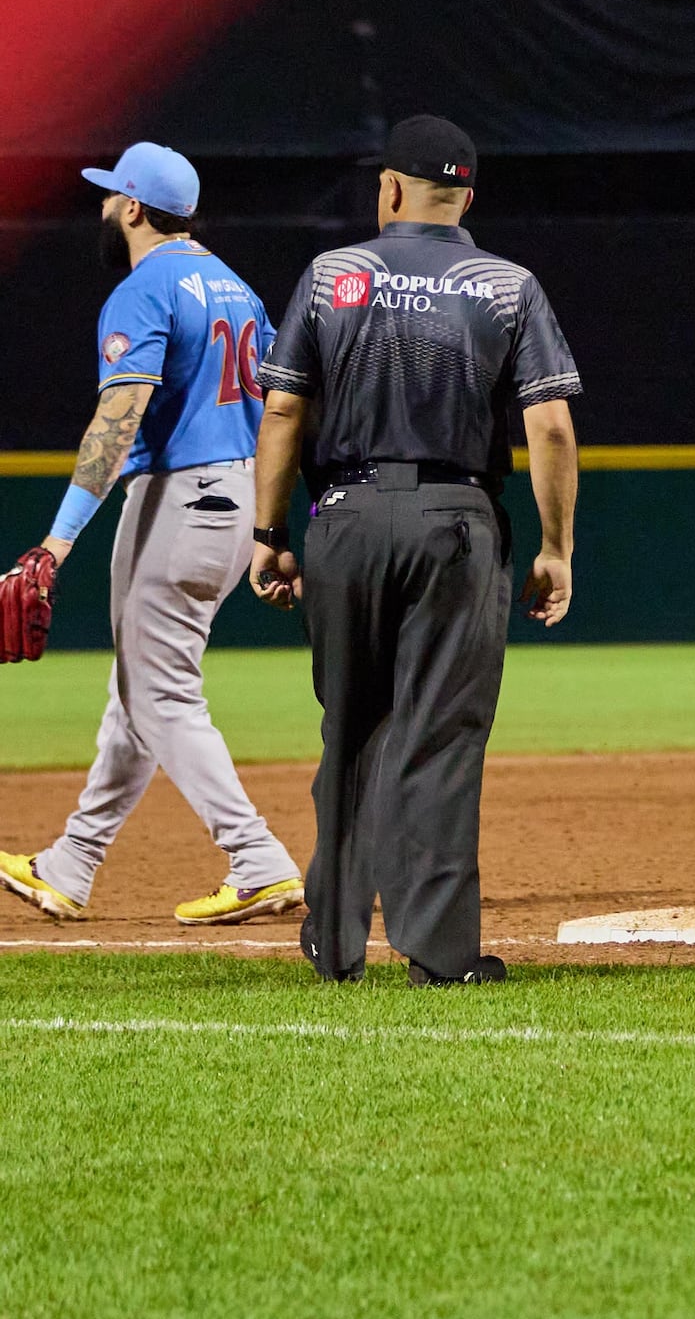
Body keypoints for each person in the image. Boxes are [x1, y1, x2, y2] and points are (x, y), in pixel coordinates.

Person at [247, 115, 580, 987]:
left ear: (390, 188)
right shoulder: (505, 284)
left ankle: (335, 944)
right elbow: (549, 422)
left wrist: (270, 534)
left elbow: (283, 410)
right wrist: (557, 547)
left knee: (349, 726)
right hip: (454, 520)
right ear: (467, 194)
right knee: (440, 735)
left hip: (346, 517)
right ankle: (437, 954)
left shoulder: (333, 276)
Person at [0, 143, 305, 926]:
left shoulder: (146, 288)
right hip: (234, 502)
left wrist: (56, 540)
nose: (102, 209)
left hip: (180, 499)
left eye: (110, 198)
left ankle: (257, 856)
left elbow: (119, 415)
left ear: (134, 207)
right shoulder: (236, 288)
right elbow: (279, 411)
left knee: (160, 692)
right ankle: (72, 861)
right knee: (138, 690)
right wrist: (270, 527)